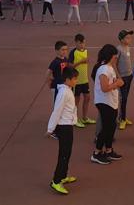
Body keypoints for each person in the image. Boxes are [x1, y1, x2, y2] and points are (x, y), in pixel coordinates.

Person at [47, 66, 79, 195]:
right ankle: (56, 181)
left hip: (68, 125)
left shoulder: (68, 89)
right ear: (67, 79)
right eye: (74, 79)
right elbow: (57, 111)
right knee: (64, 155)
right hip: (64, 127)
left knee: (67, 153)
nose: (76, 81)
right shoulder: (64, 93)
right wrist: (50, 128)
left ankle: (63, 176)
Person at [91, 44, 124, 165]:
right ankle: (97, 153)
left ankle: (109, 150)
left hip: (111, 102)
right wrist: (117, 84)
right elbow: (105, 88)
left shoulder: (109, 67)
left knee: (111, 127)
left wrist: (116, 81)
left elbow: (113, 82)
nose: (116, 59)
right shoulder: (103, 69)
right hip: (104, 102)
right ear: (110, 56)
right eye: (115, 57)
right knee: (106, 128)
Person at [69, 34, 94, 128]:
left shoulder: (86, 51)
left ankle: (84, 117)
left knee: (87, 98)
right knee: (76, 101)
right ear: (76, 42)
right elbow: (70, 66)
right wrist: (81, 62)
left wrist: (86, 62)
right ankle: (74, 119)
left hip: (85, 80)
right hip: (76, 81)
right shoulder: (73, 53)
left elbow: (86, 62)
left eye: (83, 42)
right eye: (80, 43)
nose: (82, 45)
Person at [117, 29, 134, 130]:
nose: (130, 39)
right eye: (127, 38)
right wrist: (119, 76)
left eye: (130, 37)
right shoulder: (118, 49)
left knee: (126, 98)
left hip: (129, 75)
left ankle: (122, 117)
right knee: (123, 98)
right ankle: (122, 119)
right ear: (121, 39)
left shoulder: (127, 47)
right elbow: (115, 63)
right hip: (122, 77)